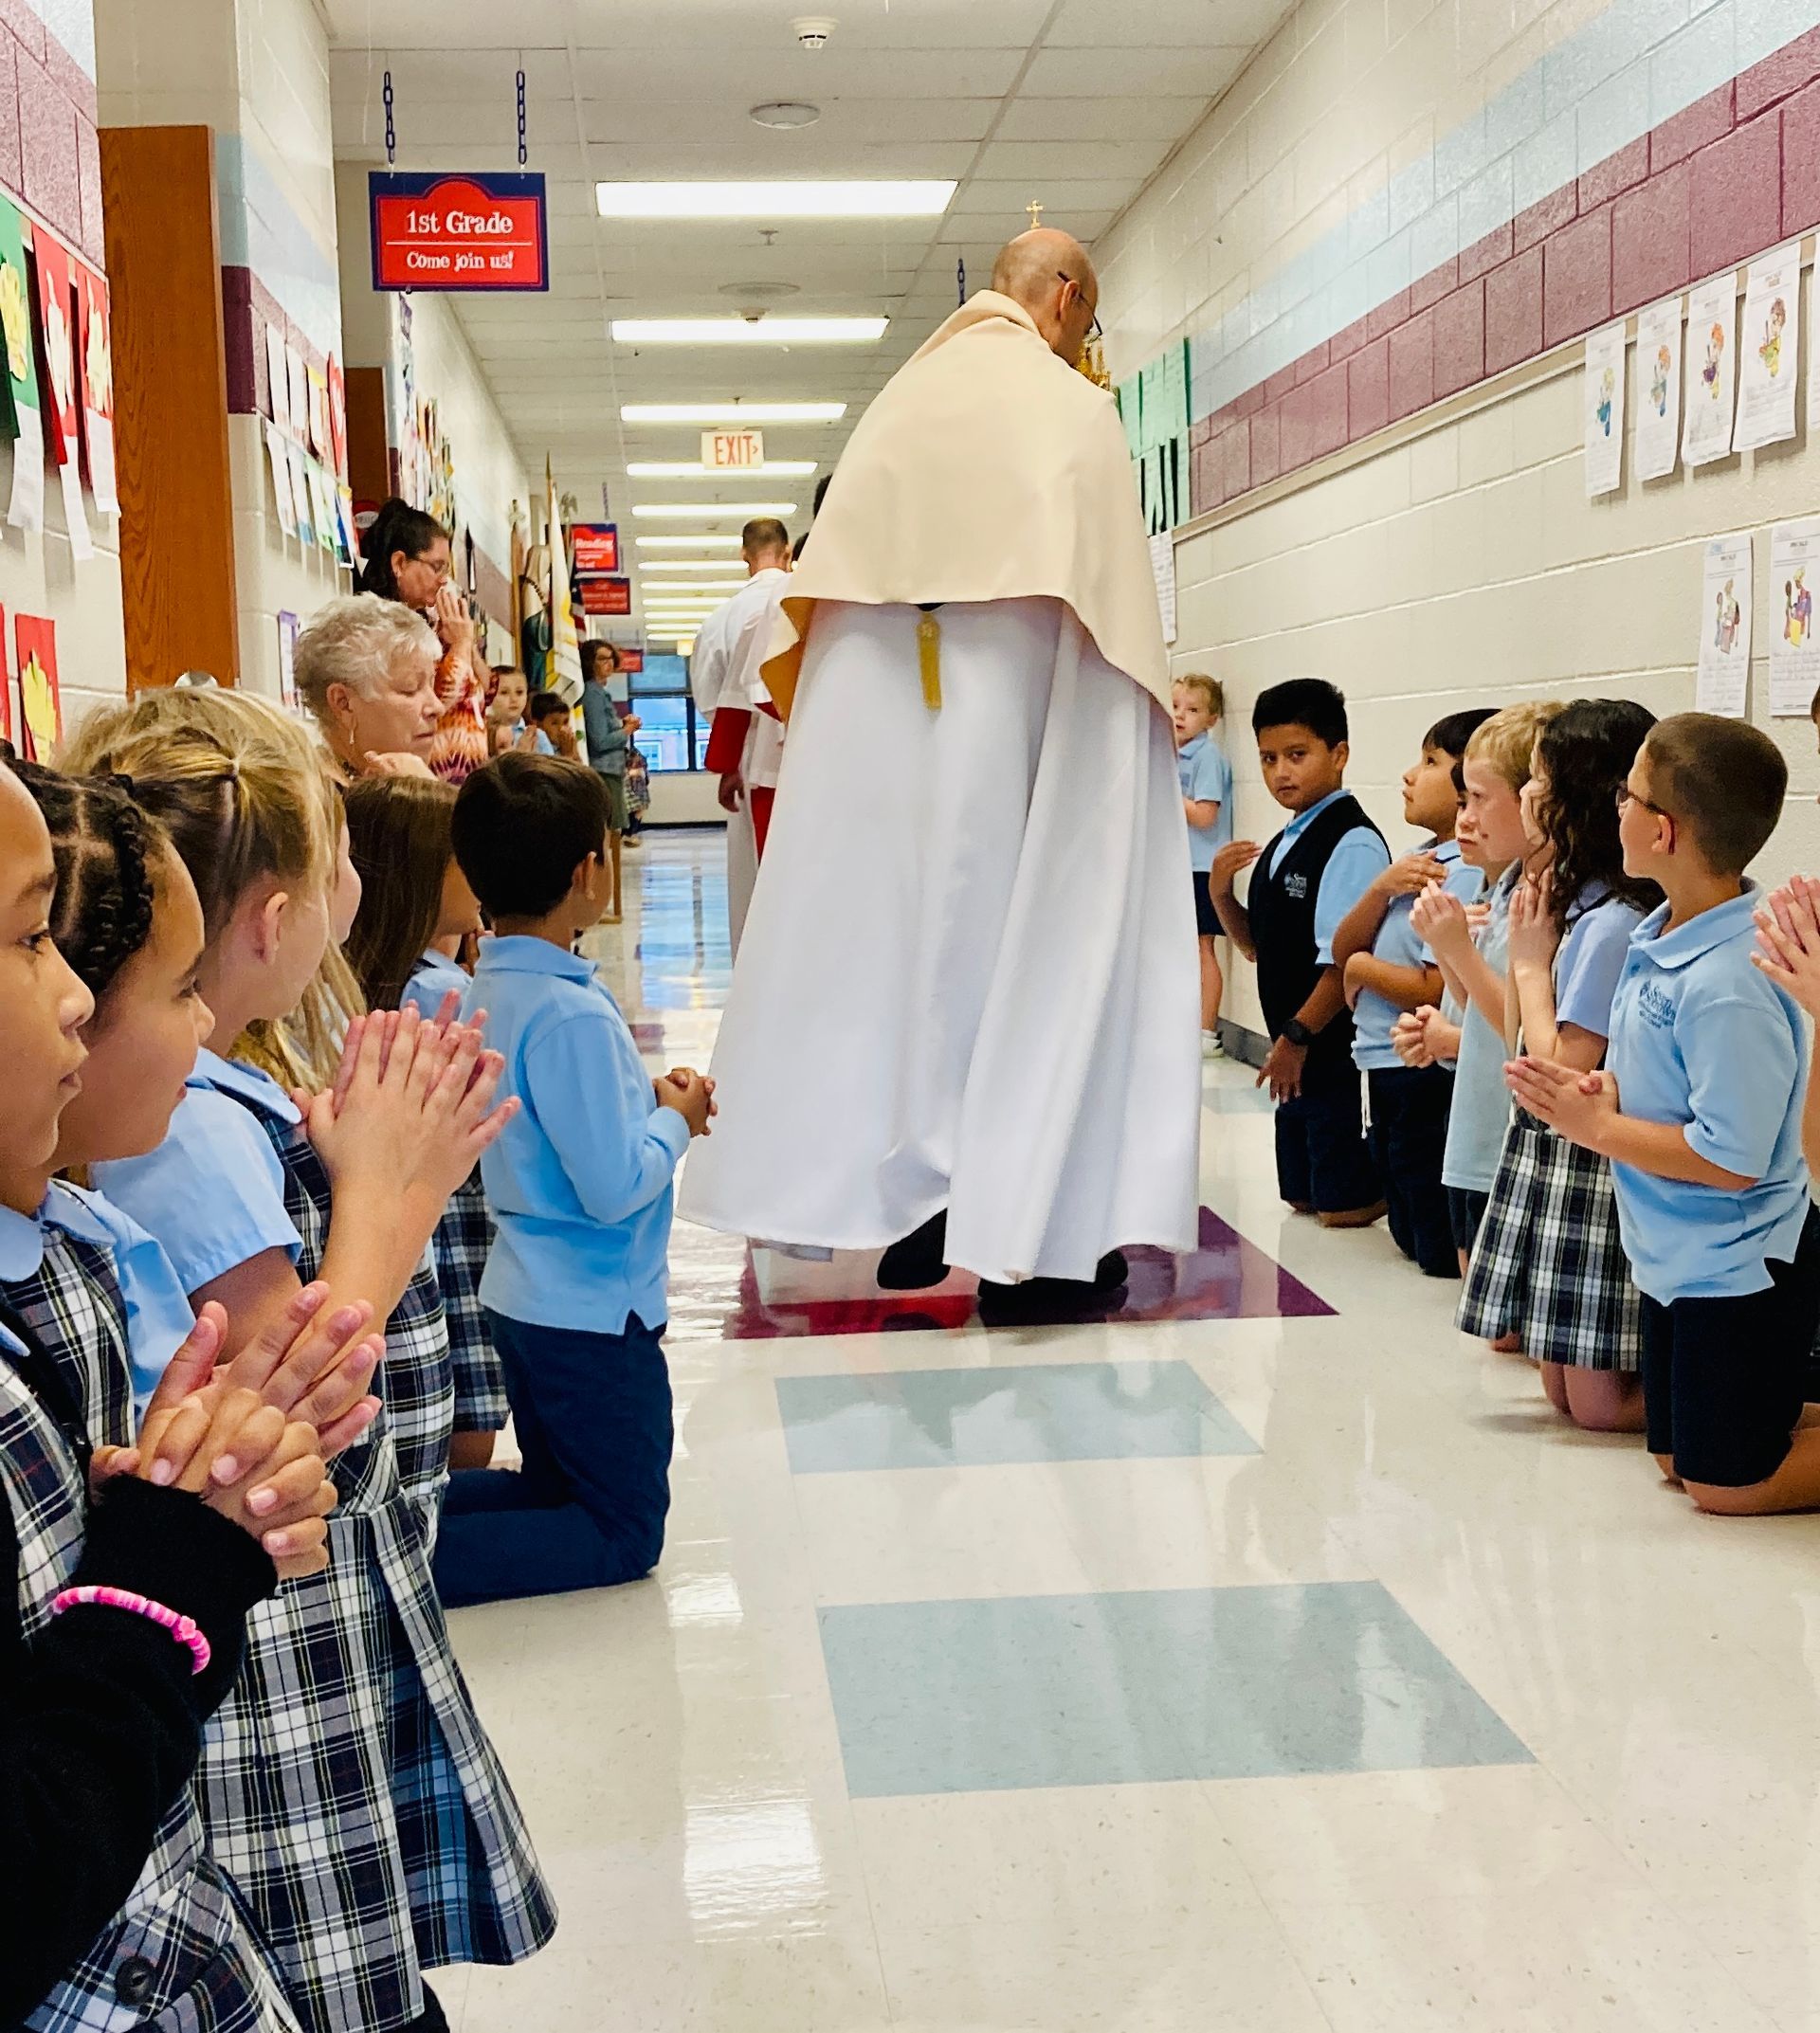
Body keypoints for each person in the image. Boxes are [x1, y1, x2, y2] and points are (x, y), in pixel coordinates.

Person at [68, 691, 555, 2033]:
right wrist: (391, 1192)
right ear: (273, 919)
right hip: (267, 1640)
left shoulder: (217, 1090)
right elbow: (304, 1387)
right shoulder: (186, 1123)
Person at [680, 227, 1200, 1325]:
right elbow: (1111, 616)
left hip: (886, 720)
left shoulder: (900, 404)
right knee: (1045, 943)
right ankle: (1037, 1244)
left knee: (909, 955)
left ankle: (922, 1195)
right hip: (1030, 704)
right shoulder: (1069, 409)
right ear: (1066, 298)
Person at [0, 756, 361, 2028]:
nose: (72, 997)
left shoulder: (72, 1245)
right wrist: (160, 1575)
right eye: (29, 941)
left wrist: (161, 1512)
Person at [433, 754, 716, 1606]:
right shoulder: (569, 1013)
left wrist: (644, 1106)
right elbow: (614, 1185)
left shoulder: (491, 986)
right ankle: (406, 1570)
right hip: (593, 1312)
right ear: (589, 871)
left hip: (528, 1295)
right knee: (621, 1527)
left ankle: (396, 1530)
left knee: (556, 1484)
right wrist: (677, 1121)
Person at [1520, 715, 1820, 1509]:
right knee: (1672, 1457)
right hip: (1672, 1254)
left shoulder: (1730, 980)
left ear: (1664, 830)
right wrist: (1605, 1098)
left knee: (1724, 1486)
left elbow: (1733, 1160)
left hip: (1741, 1263)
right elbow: (1662, 1083)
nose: (1616, 805)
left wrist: (1600, 1129)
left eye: (1629, 793)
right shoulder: (1659, 935)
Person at [1455, 699, 1660, 1431]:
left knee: (1598, 1404)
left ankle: (1721, 1415)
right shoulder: (1563, 902)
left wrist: (1530, 966)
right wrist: (1526, 955)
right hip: (1548, 1149)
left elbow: (1559, 1068)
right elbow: (1518, 1035)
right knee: (1561, 1391)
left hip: (1586, 1159)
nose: (1528, 794)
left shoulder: (1611, 924)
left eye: (1540, 780)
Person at [345, 774, 504, 1475]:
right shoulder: (443, 988)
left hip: (404, 1218)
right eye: (463, 855)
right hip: (456, 1214)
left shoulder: (380, 976)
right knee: (469, 1416)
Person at [1210, 678, 1389, 1229]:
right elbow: (1255, 947)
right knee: (1302, 1198)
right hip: (1291, 1049)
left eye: (1297, 755)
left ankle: (1392, 1183)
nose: (1280, 773)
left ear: (1339, 754)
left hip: (1325, 1046)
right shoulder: (1286, 838)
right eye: (1268, 759)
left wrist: (1297, 1037)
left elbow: (1341, 963)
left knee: (1341, 1209)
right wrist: (1220, 894)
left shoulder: (1351, 840)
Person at [1332, 709, 1492, 1277]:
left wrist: (1362, 969)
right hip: (1383, 1057)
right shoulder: (1418, 862)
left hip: (1420, 1064)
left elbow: (1431, 987)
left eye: (1429, 761)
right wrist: (1380, 889)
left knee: (1428, 1222)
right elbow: (1344, 947)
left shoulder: (1462, 872)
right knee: (1400, 1196)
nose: (1409, 774)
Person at [1403, 702, 1559, 1283]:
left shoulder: (1545, 904)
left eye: (1476, 800)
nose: (1465, 819)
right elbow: (1478, 1010)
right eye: (1461, 801)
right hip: (1473, 1130)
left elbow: (1518, 1031)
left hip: (1505, 1135)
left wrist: (1457, 952)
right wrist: (1448, 949)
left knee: (1503, 1317)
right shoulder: (1505, 889)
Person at [702, 518, 793, 955]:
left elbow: (720, 698)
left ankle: (757, 963)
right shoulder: (810, 601)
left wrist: (727, 762)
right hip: (817, 758)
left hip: (756, 763)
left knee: (756, 880)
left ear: (743, 555)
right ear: (789, 553)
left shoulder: (722, 618)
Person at [358, 499, 490, 783]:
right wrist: (461, 645)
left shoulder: (430, 623)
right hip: (425, 779)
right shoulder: (383, 626)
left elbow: (485, 688)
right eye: (437, 567)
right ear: (399, 563)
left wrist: (465, 643)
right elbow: (438, 700)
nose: (443, 580)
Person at [296, 590, 443, 780]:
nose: (437, 707)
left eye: (432, 684)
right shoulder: (308, 794)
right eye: (410, 688)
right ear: (343, 703)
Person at [1172, 672, 1233, 1057]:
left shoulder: (1206, 757)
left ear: (1212, 719)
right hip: (1182, 863)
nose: (1180, 715)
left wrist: (1167, 792)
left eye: (1192, 710)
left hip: (1202, 866)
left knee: (1201, 946)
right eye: (1176, 706)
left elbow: (1206, 815)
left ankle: (1207, 1031)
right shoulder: (1172, 753)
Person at [581, 641, 641, 916]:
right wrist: (626, 730)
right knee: (605, 838)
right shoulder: (593, 694)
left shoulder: (600, 693)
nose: (608, 664)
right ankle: (601, 898)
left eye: (610, 659)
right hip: (603, 770)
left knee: (610, 836)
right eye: (601, 659)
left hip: (611, 769)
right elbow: (600, 740)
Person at [487, 663, 533, 754]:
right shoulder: (479, 735)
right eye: (504, 692)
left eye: (519, 692)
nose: (514, 699)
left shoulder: (536, 737)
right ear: (488, 695)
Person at [526, 688, 579, 760]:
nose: (561, 728)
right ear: (537, 724)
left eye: (565, 722)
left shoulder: (568, 746)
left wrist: (575, 754)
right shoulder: (538, 746)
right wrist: (567, 755)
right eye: (554, 723)